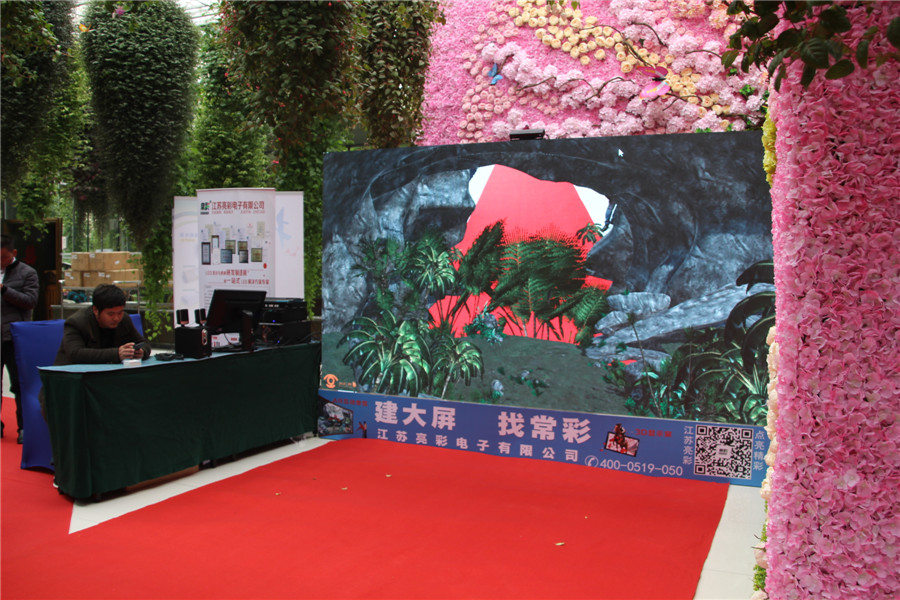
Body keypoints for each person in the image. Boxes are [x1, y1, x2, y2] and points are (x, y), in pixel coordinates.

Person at [1, 234, 40, 443]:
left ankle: (24, 427)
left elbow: (30, 301)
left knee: (19, 384)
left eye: (3, 257)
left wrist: (5, 290)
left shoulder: (27, 273)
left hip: (15, 337)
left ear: (13, 253)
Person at [53, 284, 150, 366]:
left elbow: (143, 343)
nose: (116, 318)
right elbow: (75, 354)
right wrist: (116, 354)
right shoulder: (76, 322)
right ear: (96, 310)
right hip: (72, 376)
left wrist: (141, 352)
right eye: (111, 314)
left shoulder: (124, 319)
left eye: (120, 312)